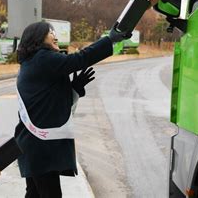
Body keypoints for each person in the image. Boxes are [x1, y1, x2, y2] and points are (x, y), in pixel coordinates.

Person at [14, 21, 131, 198]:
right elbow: (80, 58)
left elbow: (48, 104)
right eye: (51, 32)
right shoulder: (42, 58)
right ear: (38, 37)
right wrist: (110, 40)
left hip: (33, 145)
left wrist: (74, 88)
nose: (56, 36)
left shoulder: (33, 62)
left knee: (35, 194)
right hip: (40, 147)